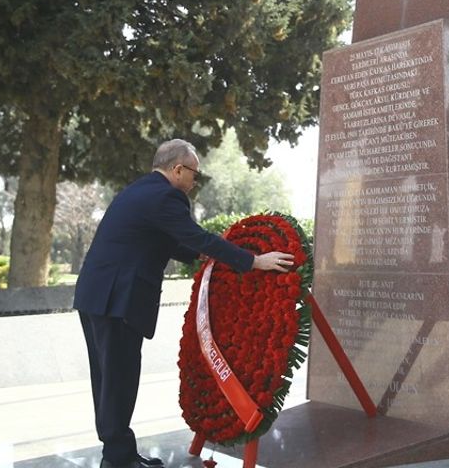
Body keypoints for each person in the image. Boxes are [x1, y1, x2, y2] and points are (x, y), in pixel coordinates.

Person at [73, 138, 293, 468]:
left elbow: (163, 240)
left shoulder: (140, 191)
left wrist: (197, 254)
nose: (194, 182)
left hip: (96, 294)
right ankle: (117, 460)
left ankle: (119, 453)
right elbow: (195, 235)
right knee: (118, 380)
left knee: (107, 380)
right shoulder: (166, 195)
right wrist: (253, 261)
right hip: (118, 298)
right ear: (178, 169)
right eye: (194, 174)